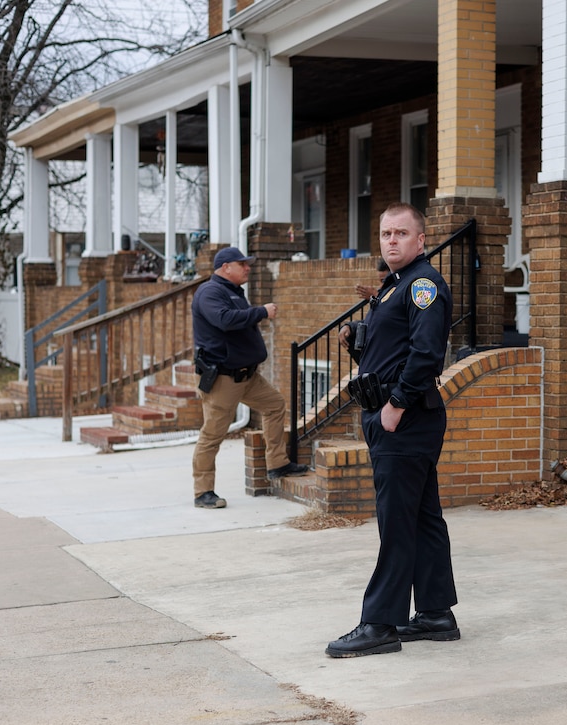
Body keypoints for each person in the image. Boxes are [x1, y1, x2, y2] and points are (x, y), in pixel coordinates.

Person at [326, 202, 459, 659]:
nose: (392, 241)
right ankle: (436, 614)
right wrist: (358, 340)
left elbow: (426, 353)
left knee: (397, 522)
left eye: (401, 233)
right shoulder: (395, 285)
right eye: (386, 234)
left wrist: (396, 404)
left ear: (421, 240)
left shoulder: (422, 284)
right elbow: (394, 350)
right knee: (421, 517)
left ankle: (380, 623)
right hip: (396, 415)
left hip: (405, 418)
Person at [190, 247, 308, 509]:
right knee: (212, 435)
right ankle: (203, 492)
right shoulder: (210, 292)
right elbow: (224, 320)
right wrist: (261, 312)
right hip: (223, 379)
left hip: (248, 376)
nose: (248, 268)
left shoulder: (233, 292)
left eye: (248, 264)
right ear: (225, 267)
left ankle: (277, 463)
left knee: (275, 405)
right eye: (241, 264)